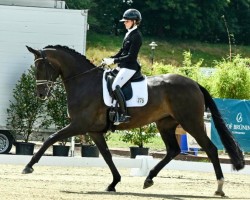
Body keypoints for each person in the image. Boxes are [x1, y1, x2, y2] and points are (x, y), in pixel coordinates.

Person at [102, 8, 143, 125]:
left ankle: (124, 114)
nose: (124, 23)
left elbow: (131, 56)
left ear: (135, 21)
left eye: (127, 21)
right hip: (123, 65)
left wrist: (114, 60)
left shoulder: (137, 36)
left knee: (115, 86)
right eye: (124, 21)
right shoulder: (128, 33)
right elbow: (122, 51)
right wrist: (110, 58)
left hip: (130, 67)